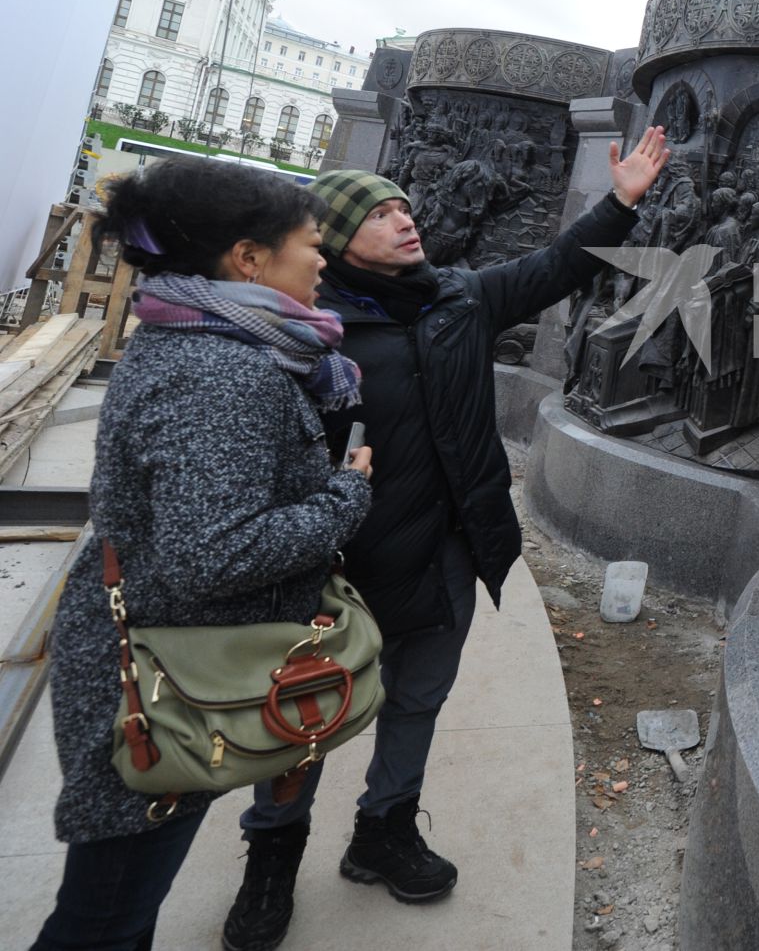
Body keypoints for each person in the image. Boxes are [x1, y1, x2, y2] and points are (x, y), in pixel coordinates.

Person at [219, 128, 669, 948]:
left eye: (403, 207)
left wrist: (624, 198)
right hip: (336, 566)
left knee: (419, 700)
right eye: (379, 214)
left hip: (447, 553)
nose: (404, 220)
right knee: (303, 719)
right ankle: (272, 859)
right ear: (333, 238)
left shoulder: (461, 298)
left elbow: (558, 265)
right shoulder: (304, 328)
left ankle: (383, 830)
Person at [34, 159, 373, 951]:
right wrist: (343, 498)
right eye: (309, 244)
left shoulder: (201, 338)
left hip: (171, 660)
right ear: (248, 260)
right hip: (161, 687)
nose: (324, 260)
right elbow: (212, 554)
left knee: (118, 906)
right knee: (105, 919)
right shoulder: (220, 373)